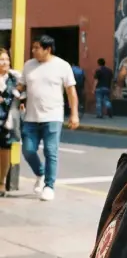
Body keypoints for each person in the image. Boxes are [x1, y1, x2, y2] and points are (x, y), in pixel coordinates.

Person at [21, 35, 79, 201]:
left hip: (53, 116)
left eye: (37, 48)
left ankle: (49, 186)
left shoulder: (62, 66)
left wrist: (74, 114)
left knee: (50, 151)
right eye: (33, 48)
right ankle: (40, 173)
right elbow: (21, 86)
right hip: (31, 117)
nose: (33, 51)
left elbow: (71, 92)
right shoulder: (28, 65)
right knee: (28, 149)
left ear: (48, 49)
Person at [0, 49, 21, 197]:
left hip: (7, 121)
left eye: (6, 59)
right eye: (1, 59)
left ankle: (1, 183)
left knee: (5, 151)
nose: (5, 62)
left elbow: (24, 92)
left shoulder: (15, 77)